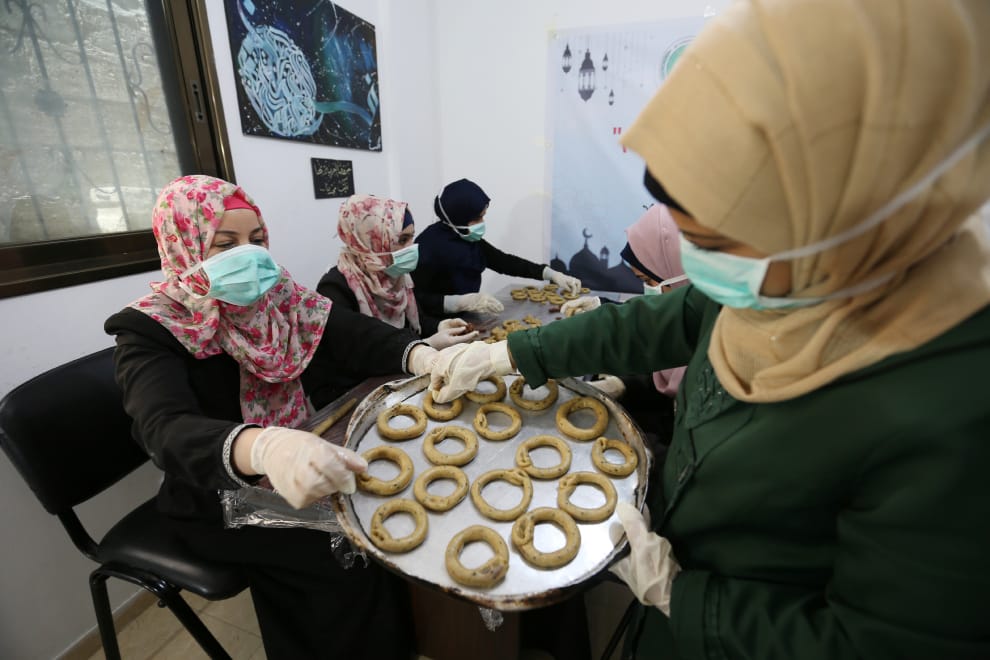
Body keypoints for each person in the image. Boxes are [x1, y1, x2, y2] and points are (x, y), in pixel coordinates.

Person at [426, 1, 990, 657]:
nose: (699, 266)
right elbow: (656, 320)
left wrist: (680, 596)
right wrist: (512, 355)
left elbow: (880, 645)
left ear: (828, 221)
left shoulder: (955, 412)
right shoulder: (783, 279)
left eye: (717, 242)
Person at [105, 175, 442, 659]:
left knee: (374, 524)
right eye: (226, 244)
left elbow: (348, 333)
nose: (249, 255)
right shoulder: (149, 328)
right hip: (213, 497)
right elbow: (164, 429)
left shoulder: (275, 296)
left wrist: (422, 354)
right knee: (338, 554)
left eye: (257, 239)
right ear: (184, 244)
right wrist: (263, 447)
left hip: (297, 448)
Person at [316, 193, 478, 395]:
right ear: (371, 241)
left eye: (411, 236)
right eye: (402, 240)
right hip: (351, 391)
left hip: (397, 376)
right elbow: (361, 349)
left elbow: (414, 321)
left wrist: (438, 326)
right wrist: (420, 349)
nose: (411, 247)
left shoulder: (395, 275)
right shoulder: (334, 289)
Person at [568, 203, 690, 452]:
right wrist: (622, 385)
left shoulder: (711, 341)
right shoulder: (682, 317)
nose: (648, 290)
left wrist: (647, 454)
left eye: (648, 280)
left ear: (678, 270)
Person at [413, 178, 582, 316]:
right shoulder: (426, 247)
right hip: (435, 325)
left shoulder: (466, 237)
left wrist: (551, 274)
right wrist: (458, 303)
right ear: (459, 216)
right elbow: (417, 298)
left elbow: (504, 262)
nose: (482, 223)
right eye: (477, 218)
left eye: (483, 216)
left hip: (467, 317)